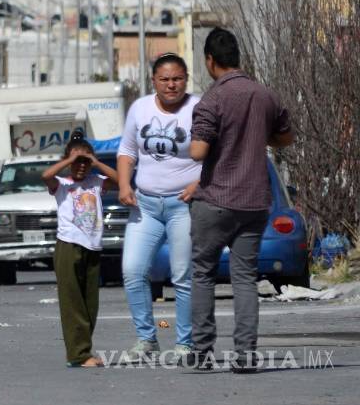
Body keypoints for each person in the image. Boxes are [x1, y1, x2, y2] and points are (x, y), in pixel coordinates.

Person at [187, 28, 294, 373]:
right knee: (245, 278)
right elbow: (286, 137)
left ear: (210, 61)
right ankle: (245, 354)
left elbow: (198, 151)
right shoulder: (266, 95)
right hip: (254, 202)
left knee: (202, 273)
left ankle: (202, 351)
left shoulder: (211, 100)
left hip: (216, 198)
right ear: (238, 58)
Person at [116, 53, 201, 362]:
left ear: (186, 79)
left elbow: (217, 153)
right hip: (146, 206)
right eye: (164, 79)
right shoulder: (139, 107)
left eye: (177, 78)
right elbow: (127, 150)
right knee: (133, 270)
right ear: (154, 81)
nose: (171, 85)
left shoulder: (198, 108)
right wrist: (125, 185)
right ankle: (146, 339)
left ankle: (185, 342)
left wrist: (199, 183)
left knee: (182, 276)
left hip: (184, 205)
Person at [42, 131, 119, 368]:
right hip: (68, 245)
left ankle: (84, 349)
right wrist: (71, 159)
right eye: (77, 163)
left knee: (89, 303)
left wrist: (93, 161)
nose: (81, 167)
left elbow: (119, 179)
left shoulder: (95, 182)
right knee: (72, 301)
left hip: (92, 247)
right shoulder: (63, 184)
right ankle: (78, 354)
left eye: (85, 163)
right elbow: (47, 175)